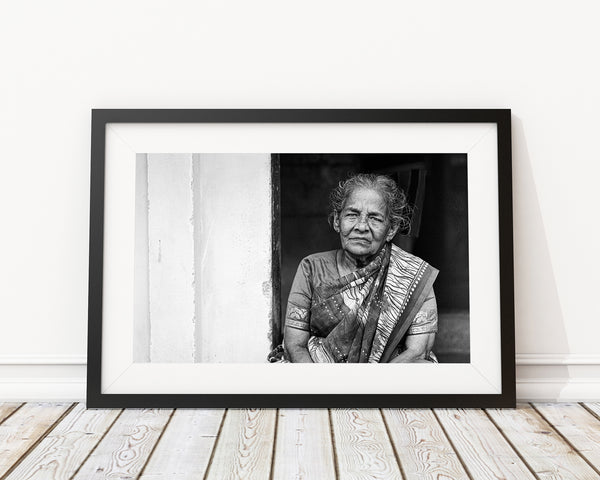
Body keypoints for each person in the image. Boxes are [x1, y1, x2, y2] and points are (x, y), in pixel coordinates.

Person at [282, 173, 439, 363]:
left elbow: (417, 351)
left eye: (375, 218)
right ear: (336, 221)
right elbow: (295, 345)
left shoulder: (414, 276)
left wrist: (371, 386)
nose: (362, 226)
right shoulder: (312, 268)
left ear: (391, 229)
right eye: (352, 215)